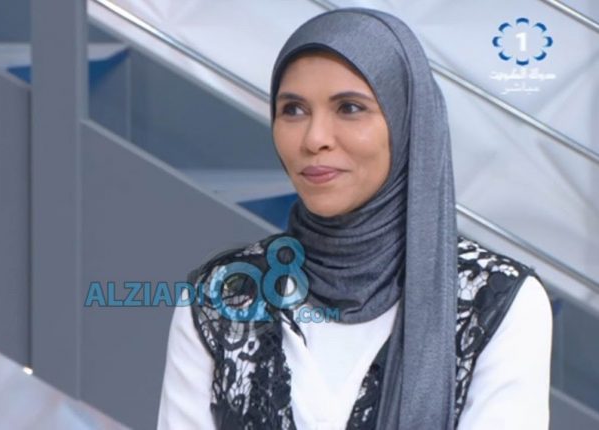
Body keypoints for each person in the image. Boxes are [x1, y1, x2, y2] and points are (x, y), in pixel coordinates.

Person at [157, 7, 552, 430]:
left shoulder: (497, 304)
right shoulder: (221, 298)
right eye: (293, 110)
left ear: (406, 122)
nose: (314, 139)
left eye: (349, 108)